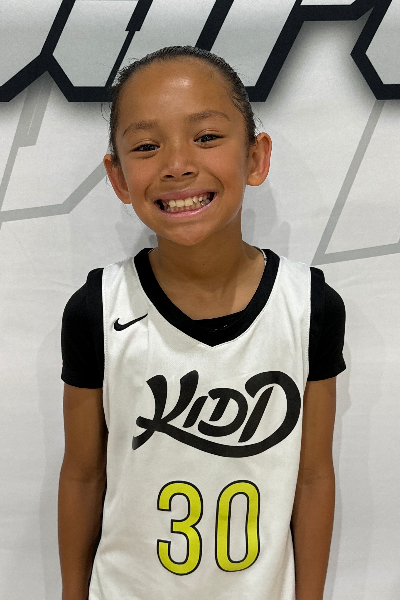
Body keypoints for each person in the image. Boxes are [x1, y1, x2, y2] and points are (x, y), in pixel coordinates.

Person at [58, 46, 346, 600]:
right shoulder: (96, 309)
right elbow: (83, 475)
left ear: (256, 157)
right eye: (147, 146)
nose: (178, 164)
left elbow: (312, 478)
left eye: (207, 136)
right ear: (118, 177)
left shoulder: (309, 305)